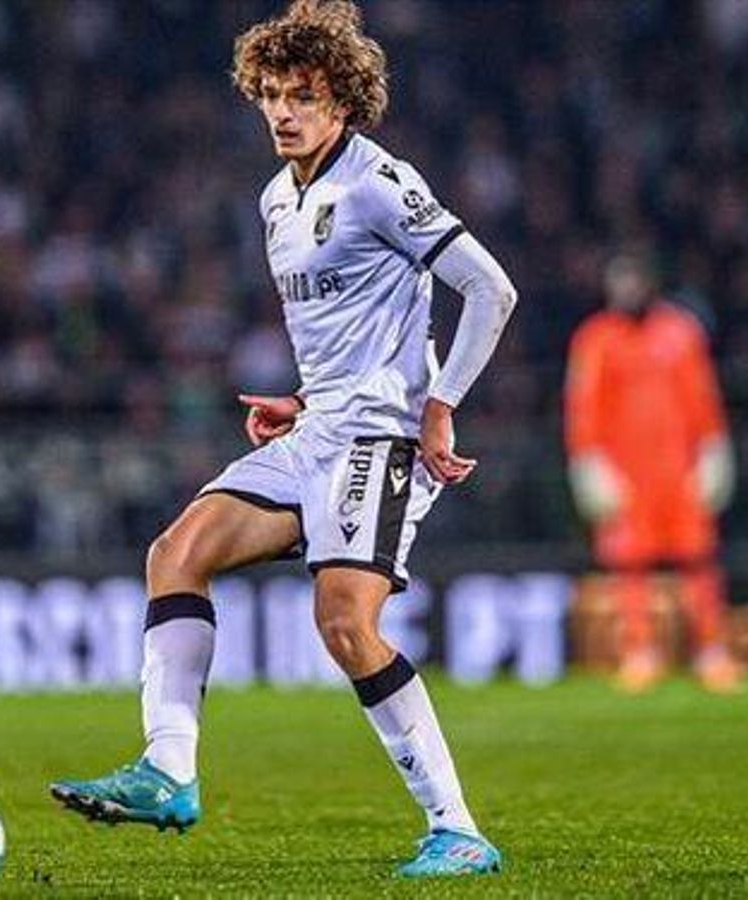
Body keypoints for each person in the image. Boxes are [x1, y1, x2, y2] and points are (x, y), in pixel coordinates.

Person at [49, 0, 516, 878]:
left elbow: (491, 291)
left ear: (343, 98)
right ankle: (168, 770)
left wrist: (442, 401)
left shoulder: (380, 183)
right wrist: (305, 403)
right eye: (268, 94)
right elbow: (351, 330)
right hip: (320, 430)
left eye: (301, 94)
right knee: (175, 553)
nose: (282, 111)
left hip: (381, 439)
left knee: (343, 622)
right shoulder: (276, 198)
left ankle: (458, 829)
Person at [565, 252, 740, 693]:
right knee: (630, 565)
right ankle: (640, 653)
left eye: (633, 281)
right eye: (619, 282)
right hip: (627, 475)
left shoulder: (681, 332)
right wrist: (588, 463)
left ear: (649, 283)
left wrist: (714, 450)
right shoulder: (596, 339)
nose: (626, 290)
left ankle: (712, 652)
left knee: (699, 560)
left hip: (679, 470)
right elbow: (582, 407)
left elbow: (703, 398)